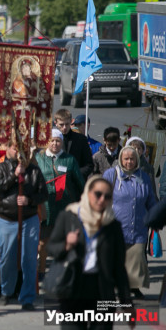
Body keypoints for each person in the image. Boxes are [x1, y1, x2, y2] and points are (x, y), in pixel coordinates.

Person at [47, 175, 132, 327]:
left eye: (107, 197)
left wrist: (127, 303)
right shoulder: (69, 217)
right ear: (88, 193)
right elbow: (52, 248)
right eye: (98, 194)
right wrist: (66, 244)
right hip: (73, 289)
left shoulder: (112, 226)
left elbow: (119, 267)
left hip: (103, 293)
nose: (101, 200)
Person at [0, 141, 47, 311]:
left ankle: (27, 297)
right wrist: (14, 176)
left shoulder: (34, 170)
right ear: (8, 149)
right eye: (14, 148)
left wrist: (29, 201)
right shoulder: (1, 168)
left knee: (29, 258)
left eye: (21, 149)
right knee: (7, 257)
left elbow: (43, 194)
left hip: (29, 218)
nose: (18, 152)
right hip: (7, 218)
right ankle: (6, 292)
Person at [103, 145, 157, 299]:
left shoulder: (144, 177)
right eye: (126, 159)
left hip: (138, 227)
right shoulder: (111, 174)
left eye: (132, 159)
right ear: (120, 159)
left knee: (136, 258)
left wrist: (155, 217)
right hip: (115, 226)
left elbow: (150, 201)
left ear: (137, 160)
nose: (129, 162)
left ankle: (133, 288)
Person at [34, 128, 84, 280]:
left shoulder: (69, 160)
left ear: (62, 143)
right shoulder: (38, 158)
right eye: (52, 140)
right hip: (45, 207)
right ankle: (41, 270)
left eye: (58, 141)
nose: (55, 144)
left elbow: (80, 183)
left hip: (65, 206)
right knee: (42, 242)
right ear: (47, 142)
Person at [54, 109, 93, 180]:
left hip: (76, 183)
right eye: (61, 125)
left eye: (67, 124)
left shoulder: (81, 139)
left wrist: (75, 174)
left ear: (71, 122)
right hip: (56, 180)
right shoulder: (50, 140)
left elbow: (89, 165)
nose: (64, 127)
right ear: (55, 123)